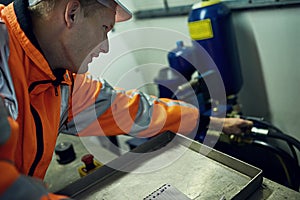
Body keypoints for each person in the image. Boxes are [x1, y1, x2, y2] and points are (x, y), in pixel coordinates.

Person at [0, 0, 252, 199]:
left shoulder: (62, 82)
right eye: (105, 28)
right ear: (72, 13)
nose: (106, 46)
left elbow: (133, 110)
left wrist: (207, 121)